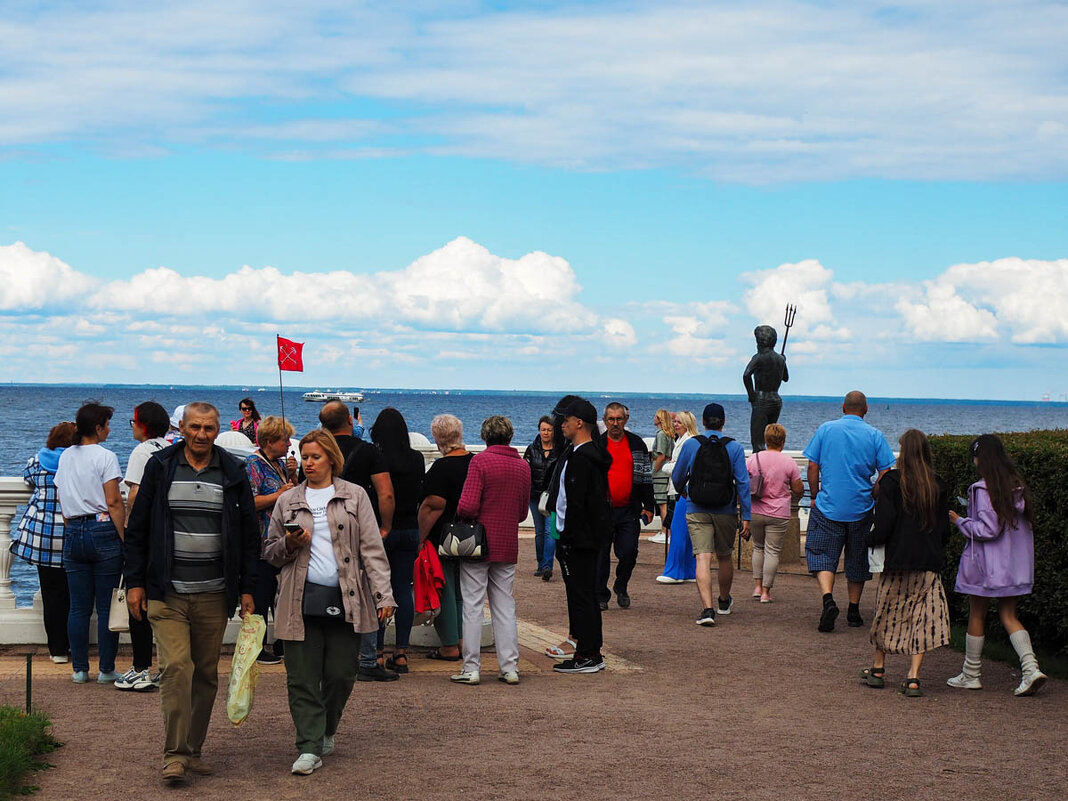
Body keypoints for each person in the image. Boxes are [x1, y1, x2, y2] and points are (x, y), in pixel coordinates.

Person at [123, 402, 260, 786]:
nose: (202, 434)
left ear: (219, 430)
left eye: (210, 428)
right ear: (180, 427)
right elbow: (138, 528)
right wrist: (134, 582)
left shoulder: (233, 472)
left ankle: (193, 750)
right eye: (195, 427)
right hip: (167, 591)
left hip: (215, 594)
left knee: (204, 674)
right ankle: (174, 755)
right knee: (176, 667)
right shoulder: (161, 466)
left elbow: (249, 537)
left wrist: (249, 588)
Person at [263, 430, 395, 775]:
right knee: (302, 677)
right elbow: (271, 552)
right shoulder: (287, 500)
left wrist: (384, 594)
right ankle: (308, 745)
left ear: (332, 459)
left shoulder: (355, 496)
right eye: (304, 456)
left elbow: (371, 549)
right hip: (298, 601)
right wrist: (291, 544)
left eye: (315, 457)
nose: (308, 463)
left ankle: (326, 728)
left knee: (340, 674)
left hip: (346, 599)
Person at [947, 434, 1047, 696]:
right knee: (1009, 615)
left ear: (982, 458)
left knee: (977, 613)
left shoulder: (983, 489)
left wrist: (960, 521)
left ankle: (971, 673)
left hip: (986, 566)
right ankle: (1030, 668)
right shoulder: (1015, 487)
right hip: (1012, 566)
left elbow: (987, 529)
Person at [861, 430, 951, 697]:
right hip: (928, 561)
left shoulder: (892, 482)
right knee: (923, 617)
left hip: (898, 559)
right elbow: (945, 530)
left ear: (903, 452)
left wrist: (869, 539)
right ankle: (913, 677)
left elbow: (885, 523)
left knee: (887, 610)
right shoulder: (938, 485)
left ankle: (878, 668)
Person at [448, 416, 530, 684]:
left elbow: (468, 506)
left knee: (472, 605)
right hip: (506, 541)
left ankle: (471, 667)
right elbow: (520, 513)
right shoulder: (523, 466)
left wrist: (460, 513)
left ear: (485, 437)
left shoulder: (480, 462)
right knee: (505, 605)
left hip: (477, 542)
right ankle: (509, 667)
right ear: (509, 436)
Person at [804, 391, 894, 633]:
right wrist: (874, 490)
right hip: (861, 507)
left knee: (822, 554)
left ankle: (828, 599)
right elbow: (886, 470)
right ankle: (853, 609)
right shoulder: (875, 435)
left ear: (843, 407)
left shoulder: (825, 430)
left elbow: (812, 465)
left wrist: (814, 495)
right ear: (866, 410)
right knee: (857, 559)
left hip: (828, 506)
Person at [54, 402, 126, 684]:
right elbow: (113, 501)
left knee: (78, 606)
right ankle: (106, 669)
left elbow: (62, 497)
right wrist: (123, 537)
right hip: (102, 526)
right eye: (107, 424)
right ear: (98, 427)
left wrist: (73, 526)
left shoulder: (66, 456)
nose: (109, 429)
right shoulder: (105, 456)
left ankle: (80, 669)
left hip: (73, 529)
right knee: (107, 605)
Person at [328, 402, 398, 681]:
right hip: (358, 528)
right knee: (368, 594)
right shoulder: (368, 451)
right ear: (349, 419)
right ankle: (367, 659)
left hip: (325, 529)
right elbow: (385, 492)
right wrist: (385, 526)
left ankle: (334, 657)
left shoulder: (316, 451)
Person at [672, 403, 750, 626]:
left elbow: (678, 476)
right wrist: (746, 516)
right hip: (725, 509)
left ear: (703, 422)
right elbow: (743, 483)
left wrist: (683, 491)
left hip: (696, 507)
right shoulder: (734, 448)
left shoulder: (691, 444)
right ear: (724, 422)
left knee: (702, 557)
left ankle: (707, 609)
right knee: (724, 555)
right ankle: (724, 601)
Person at [550, 398, 612, 674]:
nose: (561, 425)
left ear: (579, 423)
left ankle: (587, 652)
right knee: (584, 595)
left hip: (578, 539)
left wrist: (567, 539)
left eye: (565, 420)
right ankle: (589, 651)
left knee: (581, 596)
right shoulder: (584, 455)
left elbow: (577, 504)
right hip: (584, 537)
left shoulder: (582, 458)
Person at [114, 401, 170, 692]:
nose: (132, 427)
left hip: (147, 536)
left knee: (138, 601)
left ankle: (140, 668)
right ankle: (166, 666)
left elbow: (134, 493)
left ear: (143, 425)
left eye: (133, 422)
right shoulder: (173, 447)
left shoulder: (142, 451)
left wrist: (131, 529)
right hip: (169, 536)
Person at [11, 421, 76, 664]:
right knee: (73, 595)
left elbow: (27, 478)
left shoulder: (38, 461)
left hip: (42, 535)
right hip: (70, 533)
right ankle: (71, 645)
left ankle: (56, 649)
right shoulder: (75, 462)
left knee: (50, 594)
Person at [370, 407, 424, 674]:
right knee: (403, 588)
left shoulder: (376, 458)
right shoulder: (416, 459)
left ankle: (378, 651)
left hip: (383, 529)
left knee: (379, 589)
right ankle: (401, 652)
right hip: (410, 528)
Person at [418, 414, 473, 662]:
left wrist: (419, 538)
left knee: (445, 590)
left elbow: (432, 506)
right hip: (471, 536)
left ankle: (450, 645)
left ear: (438, 438)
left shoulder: (440, 468)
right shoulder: (475, 462)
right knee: (464, 593)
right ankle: (462, 641)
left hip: (443, 537)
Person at [245, 415, 297, 665]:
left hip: (279, 542)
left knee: (279, 594)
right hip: (261, 541)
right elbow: (250, 502)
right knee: (262, 594)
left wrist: (293, 476)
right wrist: (279, 494)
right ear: (268, 440)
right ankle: (257, 646)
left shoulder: (276, 464)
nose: (288, 444)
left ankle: (281, 641)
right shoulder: (253, 464)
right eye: (284, 439)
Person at [596, 402, 655, 609]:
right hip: (602, 511)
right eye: (611, 419)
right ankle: (601, 595)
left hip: (629, 510)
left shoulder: (637, 444)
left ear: (626, 420)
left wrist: (649, 505)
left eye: (619, 419)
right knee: (601, 555)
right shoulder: (597, 444)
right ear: (604, 421)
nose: (615, 423)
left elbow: (646, 476)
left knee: (629, 552)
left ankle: (621, 585)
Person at [745, 423, 803, 603]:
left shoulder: (753, 459)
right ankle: (766, 592)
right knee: (772, 551)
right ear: (783, 442)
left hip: (755, 510)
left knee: (758, 547)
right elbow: (798, 488)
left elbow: (743, 483)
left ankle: (756, 586)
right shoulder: (789, 462)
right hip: (778, 512)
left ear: (766, 439)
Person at [657, 411, 698, 584]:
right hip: (685, 490)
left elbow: (677, 468)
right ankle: (689, 570)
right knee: (687, 534)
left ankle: (674, 571)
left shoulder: (687, 442)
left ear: (687, 424)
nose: (675, 424)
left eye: (678, 422)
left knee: (678, 529)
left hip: (681, 490)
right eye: (675, 421)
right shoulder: (686, 440)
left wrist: (667, 467)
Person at [523, 415, 559, 580]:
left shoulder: (560, 449)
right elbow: (525, 471)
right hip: (535, 496)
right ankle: (540, 564)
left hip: (553, 498)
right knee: (539, 532)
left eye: (549, 430)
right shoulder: (532, 449)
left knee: (550, 532)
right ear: (539, 430)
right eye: (543, 429)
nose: (546, 433)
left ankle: (547, 566)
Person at [743, 324, 789, 452]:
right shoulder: (780, 359)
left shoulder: (759, 357)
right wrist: (783, 361)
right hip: (776, 400)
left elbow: (746, 375)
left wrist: (751, 395)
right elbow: (785, 377)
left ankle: (759, 468)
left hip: (761, 400)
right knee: (771, 439)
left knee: (758, 441)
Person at [649, 409, 675, 544]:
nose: (653, 418)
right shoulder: (669, 434)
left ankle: (666, 532)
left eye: (655, 416)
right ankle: (666, 531)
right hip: (666, 471)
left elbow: (661, 455)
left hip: (660, 473)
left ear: (659, 419)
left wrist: (654, 470)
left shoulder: (660, 434)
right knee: (665, 502)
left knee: (662, 503)